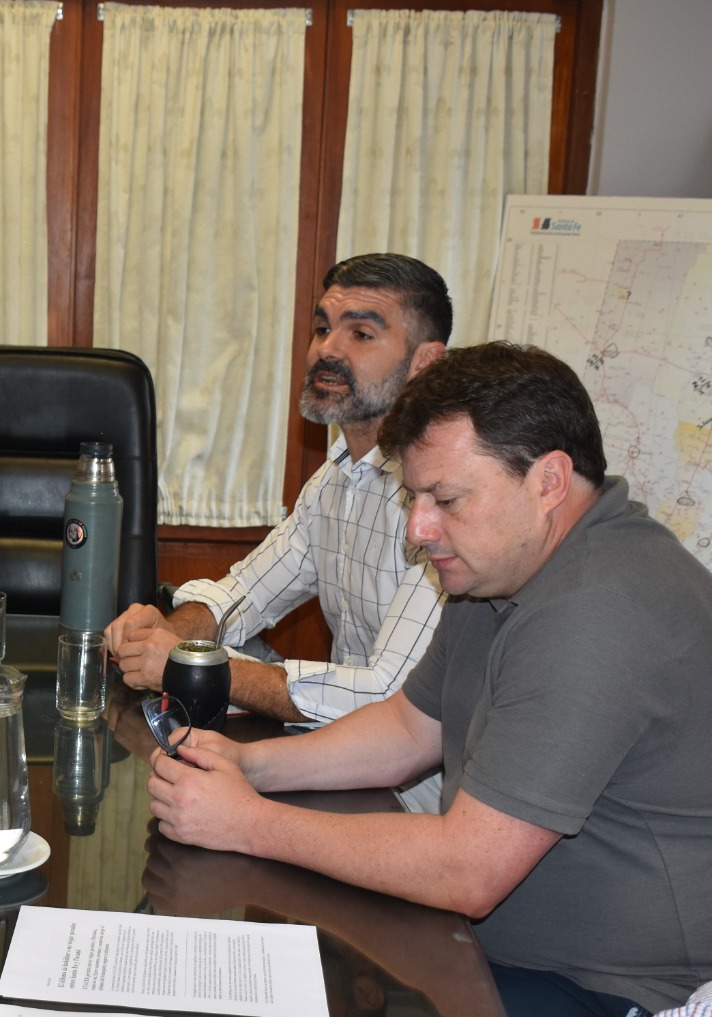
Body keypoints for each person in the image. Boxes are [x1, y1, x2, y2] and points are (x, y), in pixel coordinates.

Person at [147, 342, 712, 1016]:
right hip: (488, 948)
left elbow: (468, 868)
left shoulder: (598, 612)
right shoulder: (498, 569)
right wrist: (252, 765)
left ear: (549, 482)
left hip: (605, 990)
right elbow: (409, 727)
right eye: (414, 497)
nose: (419, 529)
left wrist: (248, 822)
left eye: (446, 498)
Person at [106, 254, 450, 797]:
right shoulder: (336, 479)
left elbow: (387, 697)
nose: (328, 350)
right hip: (333, 768)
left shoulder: (444, 501)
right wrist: (169, 634)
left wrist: (191, 667)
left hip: (422, 802)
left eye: (361, 334)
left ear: (424, 363)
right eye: (322, 328)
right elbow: (241, 594)